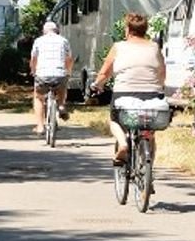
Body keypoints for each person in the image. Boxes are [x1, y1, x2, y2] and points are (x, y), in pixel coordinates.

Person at [91, 12, 165, 164]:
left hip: (124, 93)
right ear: (145, 30)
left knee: (115, 120)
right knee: (149, 130)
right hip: (152, 95)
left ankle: (123, 143)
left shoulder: (118, 47)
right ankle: (148, 178)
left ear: (128, 30)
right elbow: (162, 73)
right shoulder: (155, 48)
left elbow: (105, 72)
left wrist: (97, 85)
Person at [30, 20, 74, 134]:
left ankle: (40, 126)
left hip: (42, 74)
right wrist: (68, 72)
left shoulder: (38, 41)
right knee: (62, 87)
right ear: (57, 31)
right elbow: (69, 59)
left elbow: (34, 59)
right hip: (59, 74)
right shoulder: (64, 40)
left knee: (38, 98)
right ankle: (61, 105)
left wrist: (33, 71)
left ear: (44, 31)